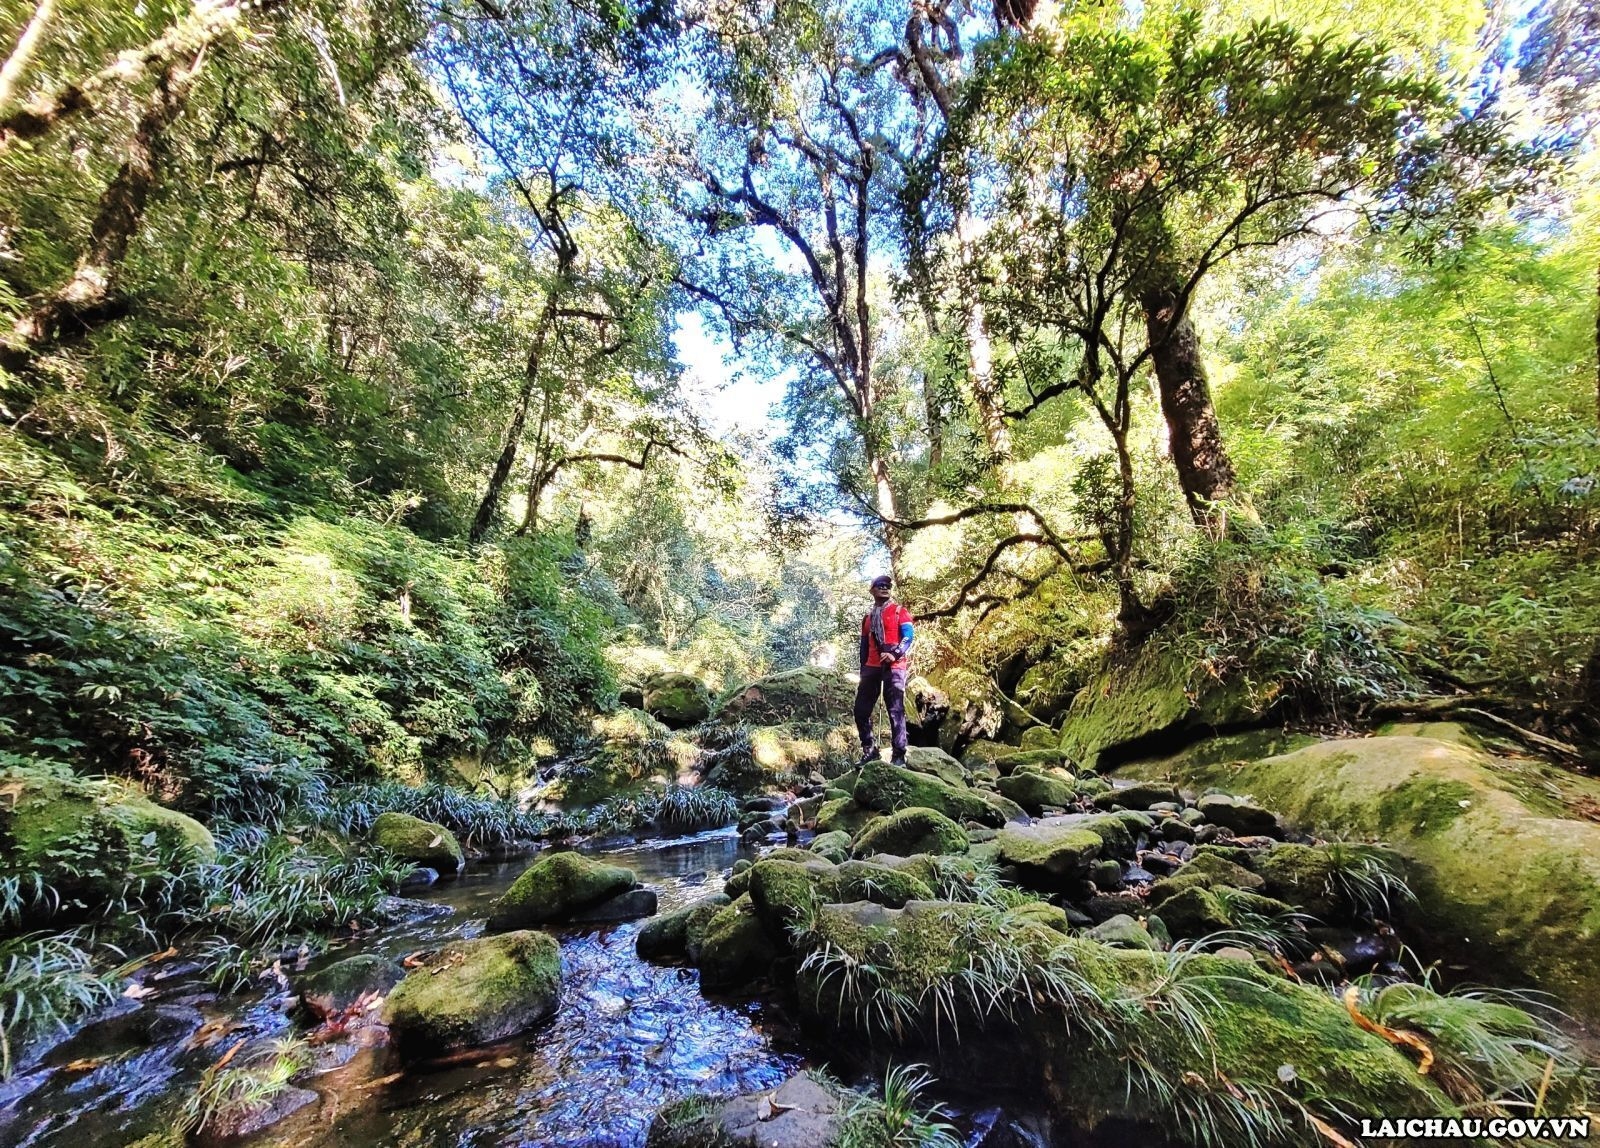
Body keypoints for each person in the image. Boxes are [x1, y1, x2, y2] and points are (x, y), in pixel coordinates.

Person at [854, 574, 914, 766]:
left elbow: (908, 636)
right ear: (872, 590)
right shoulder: (868, 619)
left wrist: (894, 654)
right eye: (880, 585)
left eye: (887, 585)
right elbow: (864, 646)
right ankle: (869, 750)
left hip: (894, 666)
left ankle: (899, 755)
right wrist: (863, 669)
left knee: (895, 709)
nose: (884, 587)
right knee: (861, 710)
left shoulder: (899, 612)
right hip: (871, 667)